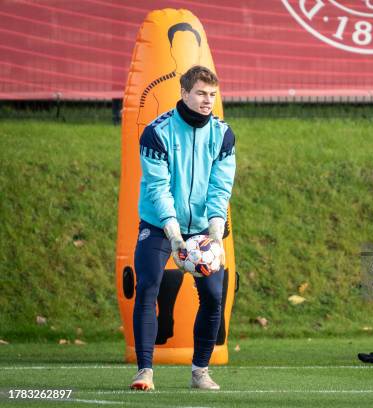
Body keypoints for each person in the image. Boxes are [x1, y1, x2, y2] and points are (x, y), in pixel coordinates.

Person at [130, 65, 236, 391]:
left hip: (204, 226)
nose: (208, 101)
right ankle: (145, 371)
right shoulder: (156, 132)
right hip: (160, 223)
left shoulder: (223, 134)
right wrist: (175, 236)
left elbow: (221, 188)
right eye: (201, 94)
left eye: (212, 95)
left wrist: (215, 235)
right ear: (184, 93)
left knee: (214, 295)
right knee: (148, 284)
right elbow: (157, 189)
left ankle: (200, 372)